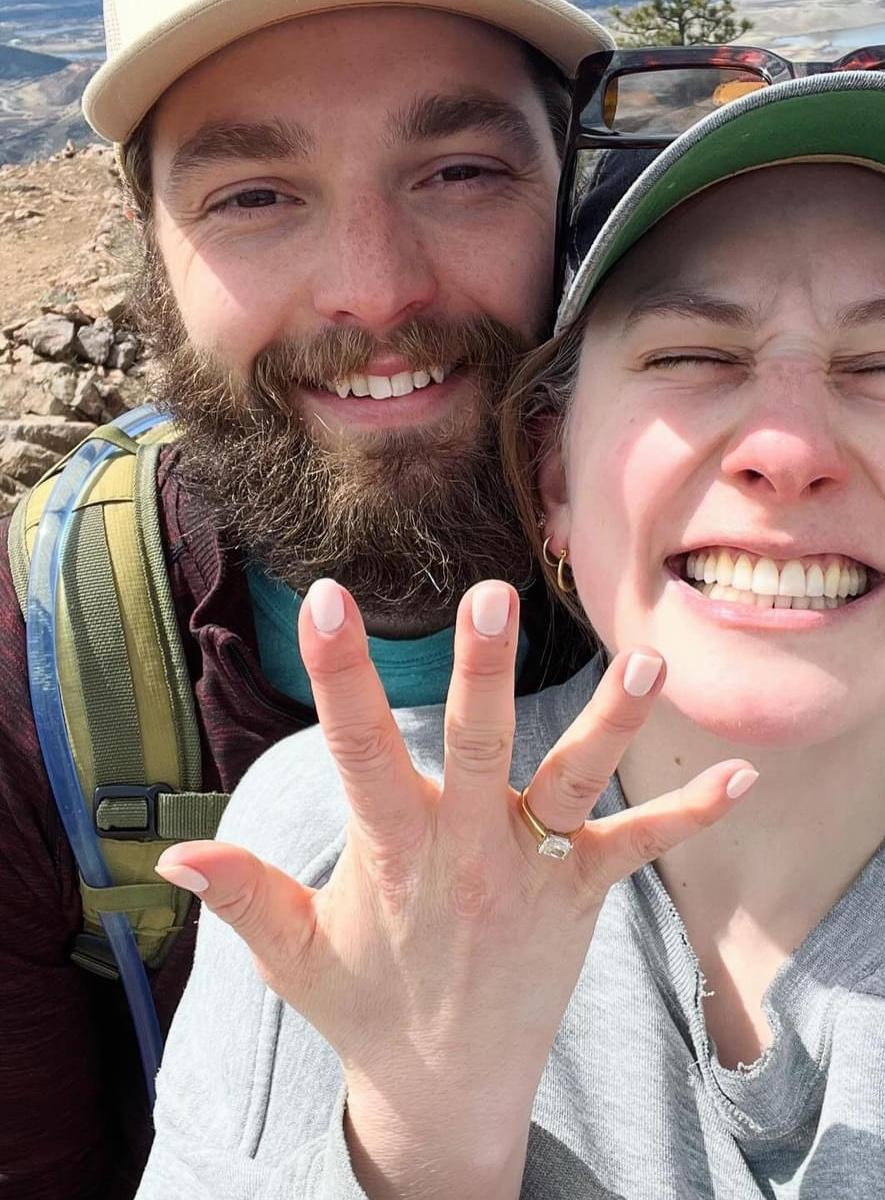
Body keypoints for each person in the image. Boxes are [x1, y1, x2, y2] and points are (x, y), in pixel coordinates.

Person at [139, 73, 885, 1198]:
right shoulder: (335, 848)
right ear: (554, 473)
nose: (788, 451)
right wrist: (421, 1142)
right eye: (693, 355)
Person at [0, 1, 610, 1196]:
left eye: (462, 173)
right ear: (149, 239)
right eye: (255, 195)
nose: (374, 292)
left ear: (573, 192)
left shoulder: (719, 596)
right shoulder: (33, 679)